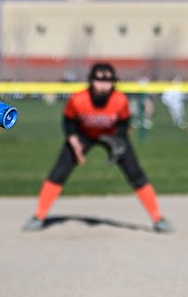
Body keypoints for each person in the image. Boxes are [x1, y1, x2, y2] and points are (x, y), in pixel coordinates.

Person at [24, 62, 172, 233]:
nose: (103, 85)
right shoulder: (79, 99)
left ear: (113, 83)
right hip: (83, 135)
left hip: (112, 135)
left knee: (136, 173)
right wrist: (73, 141)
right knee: (59, 172)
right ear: (91, 81)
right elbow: (68, 121)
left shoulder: (120, 100)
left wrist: (117, 143)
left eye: (108, 81)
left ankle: (158, 218)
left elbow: (123, 124)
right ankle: (39, 216)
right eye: (99, 80)